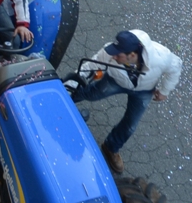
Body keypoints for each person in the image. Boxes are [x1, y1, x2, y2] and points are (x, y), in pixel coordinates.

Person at [67, 29, 182, 173]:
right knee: (90, 94)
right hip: (115, 81)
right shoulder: (109, 53)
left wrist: (165, 91)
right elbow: (89, 67)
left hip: (144, 91)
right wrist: (66, 88)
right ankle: (65, 100)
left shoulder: (162, 57)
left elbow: (176, 67)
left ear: (132, 55)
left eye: (118, 54)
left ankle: (111, 147)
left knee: (130, 125)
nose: (113, 56)